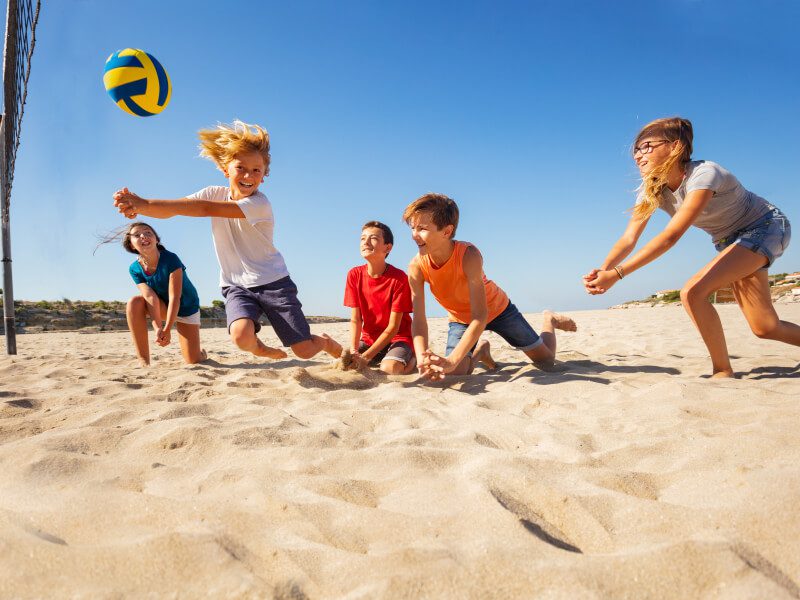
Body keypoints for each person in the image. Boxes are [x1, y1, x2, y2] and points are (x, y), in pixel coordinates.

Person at [583, 116, 797, 378]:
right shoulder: (652, 189)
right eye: (636, 150)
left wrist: (617, 274)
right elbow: (629, 238)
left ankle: (722, 371)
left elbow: (671, 236)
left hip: (765, 227)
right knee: (765, 327)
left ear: (675, 147)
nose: (639, 155)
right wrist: (604, 270)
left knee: (693, 293)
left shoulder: (705, 174)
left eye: (647, 147)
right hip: (730, 242)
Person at [113, 120, 342, 362]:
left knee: (304, 351)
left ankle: (327, 342)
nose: (248, 175)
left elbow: (204, 209)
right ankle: (259, 348)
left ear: (264, 176)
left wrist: (145, 204)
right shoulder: (214, 193)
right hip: (236, 285)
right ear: (225, 170)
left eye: (256, 170)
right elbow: (177, 208)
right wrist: (140, 208)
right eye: (240, 168)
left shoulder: (259, 204)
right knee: (240, 336)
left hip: (274, 282)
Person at [404, 193, 576, 380]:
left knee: (546, 361)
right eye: (412, 228)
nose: (414, 235)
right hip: (461, 319)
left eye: (422, 228)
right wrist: (422, 358)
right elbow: (418, 320)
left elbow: (480, 316)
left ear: (446, 231)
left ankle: (549, 319)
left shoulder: (468, 255)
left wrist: (452, 359)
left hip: (497, 309)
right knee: (455, 372)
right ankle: (481, 352)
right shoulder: (416, 266)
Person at [122, 221, 206, 366]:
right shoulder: (134, 268)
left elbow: (175, 297)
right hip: (162, 307)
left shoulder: (170, 259)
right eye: (137, 235)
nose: (143, 236)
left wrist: (167, 329)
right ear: (131, 245)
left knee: (193, 360)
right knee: (134, 303)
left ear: (156, 239)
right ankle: (143, 361)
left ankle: (201, 354)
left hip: (186, 308)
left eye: (148, 232)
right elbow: (150, 297)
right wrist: (158, 328)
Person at [343, 221, 416, 374]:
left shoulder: (399, 278)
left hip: (398, 338)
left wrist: (366, 357)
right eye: (363, 238)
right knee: (347, 362)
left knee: (389, 369)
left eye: (373, 238)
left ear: (387, 248)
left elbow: (393, 328)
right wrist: (355, 350)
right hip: (369, 340)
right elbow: (356, 320)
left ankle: (412, 358)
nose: (366, 242)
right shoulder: (354, 275)